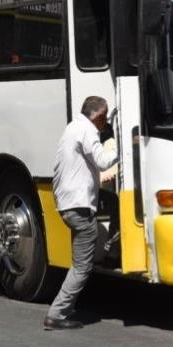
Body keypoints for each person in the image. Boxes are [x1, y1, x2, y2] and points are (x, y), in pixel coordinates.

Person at [43, 96, 118, 331]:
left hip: (69, 202)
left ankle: (112, 252)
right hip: (79, 205)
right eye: (104, 119)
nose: (105, 123)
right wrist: (125, 145)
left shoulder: (73, 127)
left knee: (114, 204)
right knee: (82, 266)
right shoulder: (87, 130)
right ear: (96, 116)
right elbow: (103, 161)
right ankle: (57, 313)